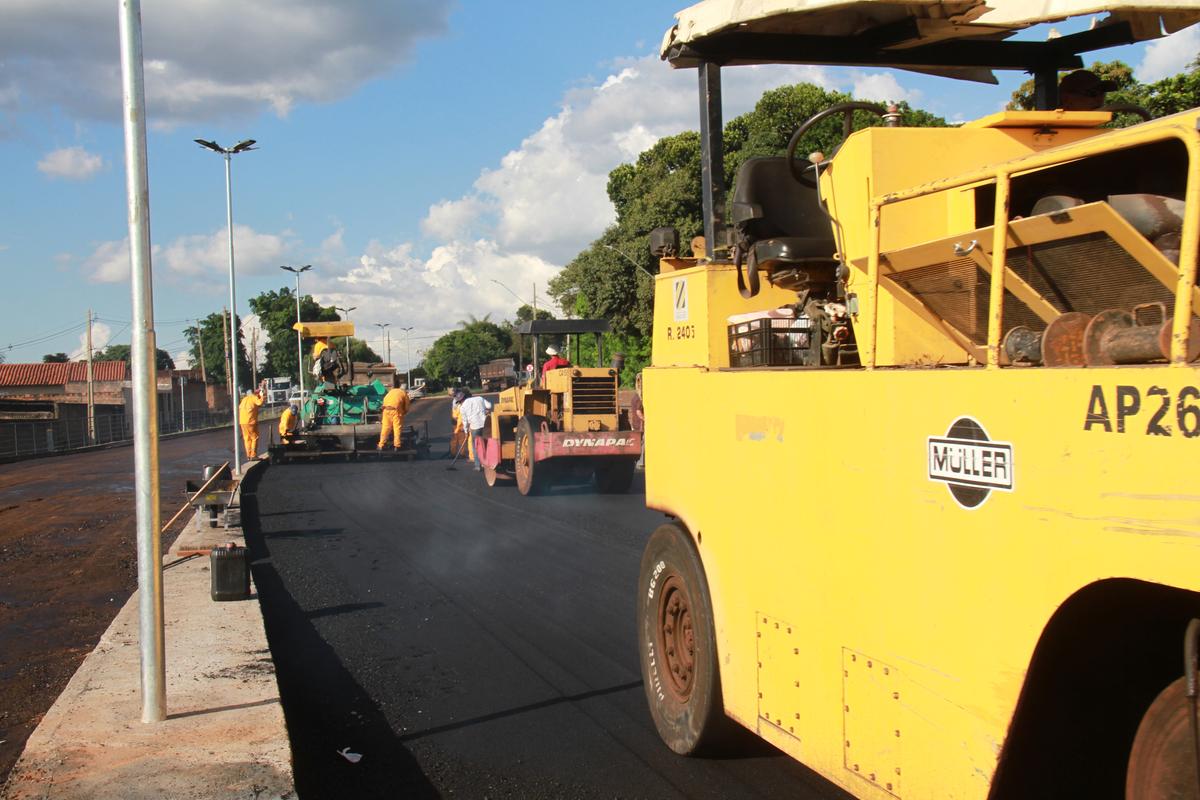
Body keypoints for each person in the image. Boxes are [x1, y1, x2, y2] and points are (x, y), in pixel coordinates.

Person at [457, 389, 493, 471]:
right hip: (486, 425)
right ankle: (488, 463)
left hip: (475, 427)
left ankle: (478, 465)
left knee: (476, 446)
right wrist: (485, 410)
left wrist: (466, 432)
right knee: (487, 443)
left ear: (461, 400)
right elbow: (490, 406)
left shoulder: (463, 407)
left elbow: (465, 421)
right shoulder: (480, 398)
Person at [377, 375, 410, 450]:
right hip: (396, 411)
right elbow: (407, 406)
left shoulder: (391, 391)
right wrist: (403, 412)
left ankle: (381, 445)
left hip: (386, 410)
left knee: (385, 428)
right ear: (405, 389)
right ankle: (397, 446)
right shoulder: (404, 393)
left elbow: (385, 400)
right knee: (397, 428)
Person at [238, 382, 266, 459]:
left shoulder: (244, 399)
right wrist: (262, 395)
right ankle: (253, 455)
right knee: (254, 438)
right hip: (251, 422)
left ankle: (248, 455)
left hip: (242, 422)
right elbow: (260, 403)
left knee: (247, 438)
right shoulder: (253, 397)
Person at [630, 371, 645, 470]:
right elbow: (639, 412)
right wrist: (647, 419)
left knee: (639, 443)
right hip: (640, 424)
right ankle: (640, 462)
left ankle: (638, 462)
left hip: (636, 424)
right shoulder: (639, 397)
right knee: (642, 443)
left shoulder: (635, 396)